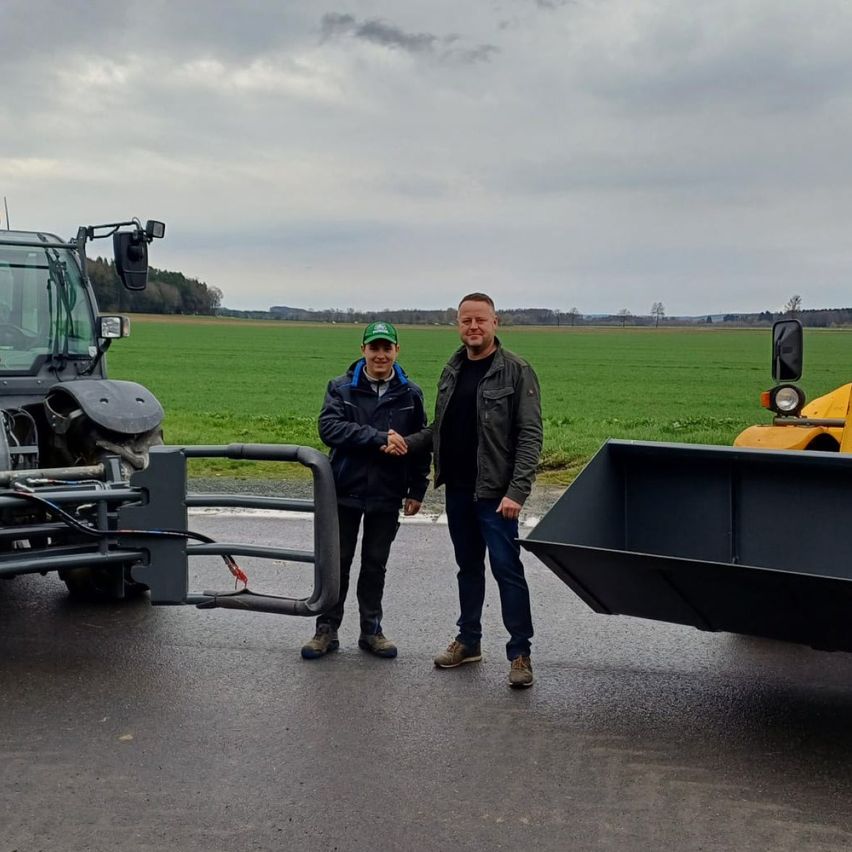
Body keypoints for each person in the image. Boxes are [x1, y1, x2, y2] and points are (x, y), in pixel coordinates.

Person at [397, 293, 542, 688]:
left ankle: (520, 653)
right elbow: (439, 429)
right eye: (466, 321)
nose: (473, 327)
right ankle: (469, 640)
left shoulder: (516, 371)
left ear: (495, 323)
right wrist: (407, 443)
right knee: (468, 568)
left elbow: (530, 436)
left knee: (507, 571)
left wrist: (517, 492)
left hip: (496, 495)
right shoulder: (452, 369)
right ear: (458, 325)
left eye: (480, 320)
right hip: (459, 490)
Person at [301, 320, 430, 661]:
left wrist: (417, 488)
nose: (380, 355)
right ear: (363, 350)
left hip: (387, 493)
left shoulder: (411, 394)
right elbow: (330, 429)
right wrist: (378, 438)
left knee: (375, 565)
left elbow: (420, 444)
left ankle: (371, 631)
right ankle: (326, 629)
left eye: (387, 348)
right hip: (344, 491)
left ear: (397, 351)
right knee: (337, 564)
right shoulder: (340, 388)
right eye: (374, 348)